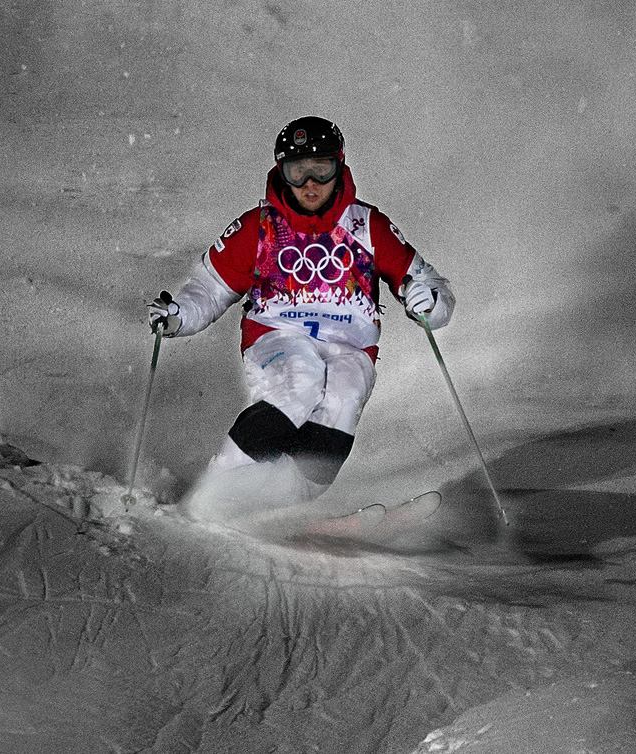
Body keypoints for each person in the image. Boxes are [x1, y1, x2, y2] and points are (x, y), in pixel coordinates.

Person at [146, 116, 454, 527]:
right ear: (281, 172)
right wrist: (179, 315)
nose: (310, 184)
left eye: (321, 169)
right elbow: (210, 287)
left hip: (352, 345)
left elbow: (429, 286)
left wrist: (428, 301)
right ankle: (216, 491)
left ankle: (285, 505)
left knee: (344, 395)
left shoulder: (368, 226)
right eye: (297, 172)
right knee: (300, 379)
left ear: (339, 166)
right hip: (277, 334)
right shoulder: (259, 227)